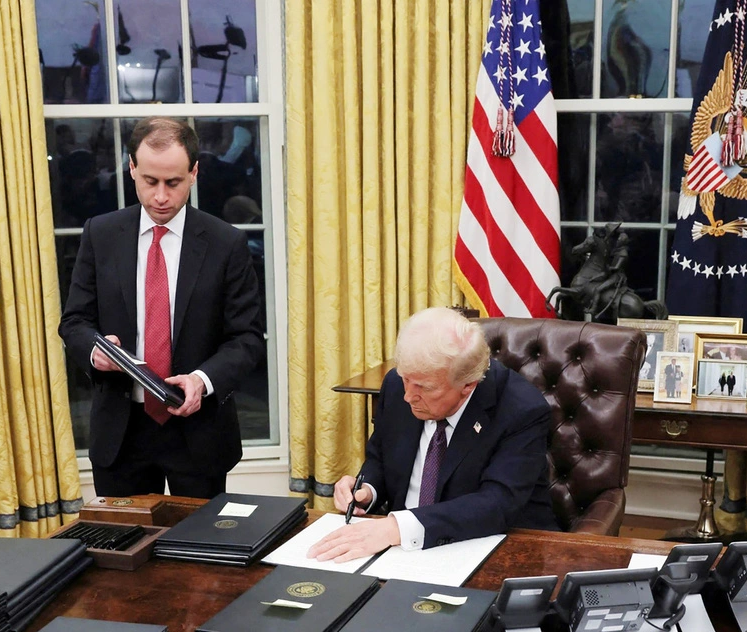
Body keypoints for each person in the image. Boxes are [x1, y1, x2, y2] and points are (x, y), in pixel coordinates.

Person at [59, 117, 264, 499]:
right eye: (150, 181)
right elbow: (74, 321)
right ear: (132, 168)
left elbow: (246, 338)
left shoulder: (226, 243)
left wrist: (201, 381)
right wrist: (95, 351)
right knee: (124, 536)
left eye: (173, 182)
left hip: (198, 431)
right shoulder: (100, 234)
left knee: (199, 537)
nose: (160, 197)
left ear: (194, 173)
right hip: (121, 432)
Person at [306, 308, 554, 563]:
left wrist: (398, 528)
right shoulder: (397, 385)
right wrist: (367, 490)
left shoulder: (521, 410)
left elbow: (497, 504)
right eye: (405, 379)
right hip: (400, 551)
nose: (408, 396)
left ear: (467, 385)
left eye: (424, 388)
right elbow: (380, 456)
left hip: (494, 549)